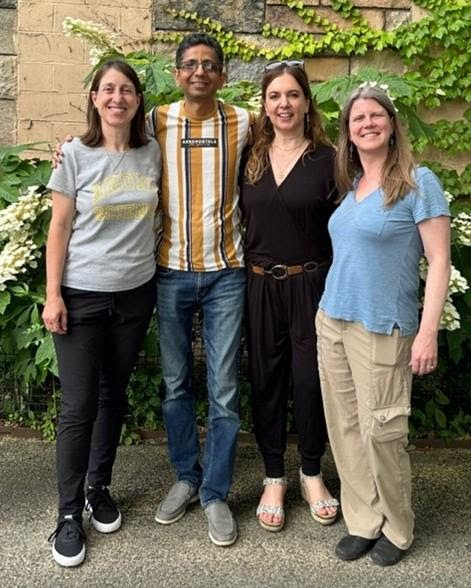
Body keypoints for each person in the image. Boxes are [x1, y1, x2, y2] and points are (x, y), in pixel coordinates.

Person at [316, 85, 451, 565]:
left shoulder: (418, 181)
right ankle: (363, 520)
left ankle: (397, 525)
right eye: (358, 119)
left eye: (376, 115)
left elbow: (438, 261)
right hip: (333, 321)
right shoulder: (353, 187)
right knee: (346, 427)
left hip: (383, 327)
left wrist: (428, 331)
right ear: (348, 134)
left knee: (383, 432)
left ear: (392, 125)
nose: (367, 123)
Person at [43, 59, 161, 567]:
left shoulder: (151, 150)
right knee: (78, 405)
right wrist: (53, 295)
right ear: (94, 98)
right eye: (108, 90)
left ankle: (98, 487)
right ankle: (68, 514)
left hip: (135, 293)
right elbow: (60, 228)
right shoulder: (73, 153)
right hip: (82, 294)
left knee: (114, 395)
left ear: (138, 100)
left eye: (127, 90)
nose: (118, 98)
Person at [146, 34, 252, 546]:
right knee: (175, 385)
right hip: (169, 271)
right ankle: (186, 476)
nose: (200, 72)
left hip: (227, 273)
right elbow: (110, 143)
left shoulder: (244, 122)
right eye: (191, 64)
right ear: (176, 72)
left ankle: (215, 492)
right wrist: (66, 151)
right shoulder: (156, 121)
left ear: (223, 75)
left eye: (210, 64)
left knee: (226, 389)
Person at [239, 60, 339, 532]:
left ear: (306, 102)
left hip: (313, 284)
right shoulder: (247, 155)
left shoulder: (329, 158)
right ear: (264, 104)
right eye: (275, 95)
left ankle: (312, 472)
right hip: (259, 284)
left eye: (292, 95)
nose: (284, 104)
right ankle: (274, 474)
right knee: (266, 380)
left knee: (309, 381)